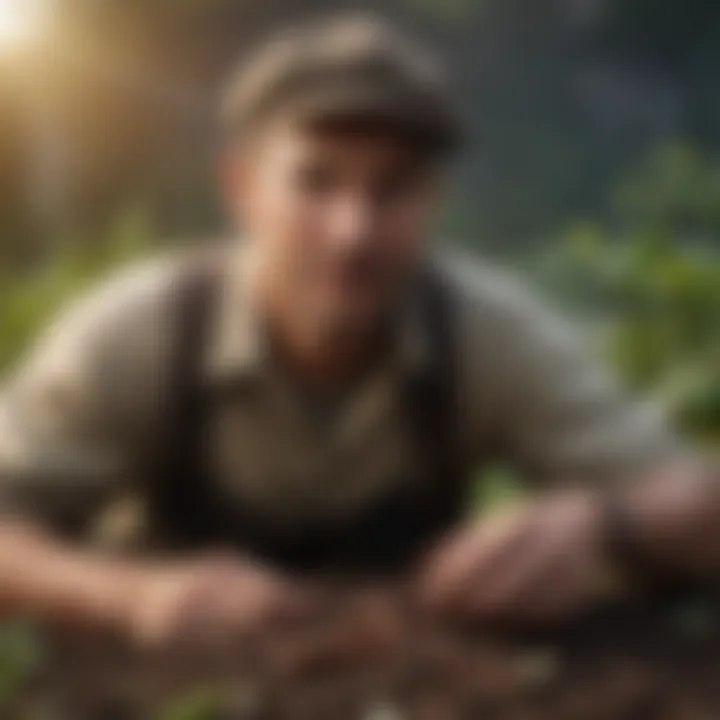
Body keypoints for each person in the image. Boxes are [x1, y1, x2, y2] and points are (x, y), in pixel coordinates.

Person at [0, 13, 716, 649]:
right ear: (242, 187)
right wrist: (130, 597)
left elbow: (697, 501)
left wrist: (602, 522)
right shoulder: (142, 333)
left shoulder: (484, 332)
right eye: (315, 182)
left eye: (393, 188)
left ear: (435, 199)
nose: (354, 233)